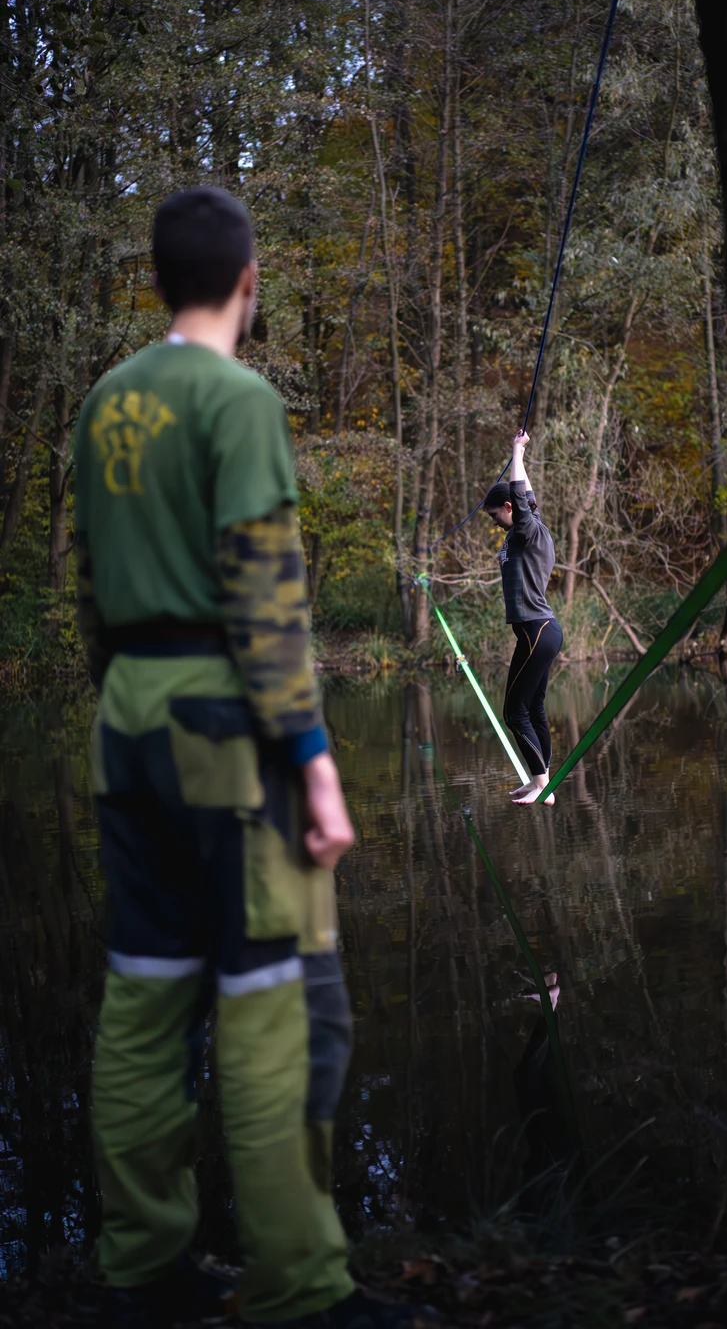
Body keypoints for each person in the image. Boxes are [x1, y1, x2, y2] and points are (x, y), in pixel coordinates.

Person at [74, 187, 438, 1329]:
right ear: (248, 281)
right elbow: (265, 595)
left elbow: (91, 589)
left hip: (125, 722)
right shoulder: (239, 401)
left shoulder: (103, 401)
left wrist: (123, 699)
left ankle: (142, 1268)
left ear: (155, 281)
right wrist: (316, 763)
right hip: (226, 735)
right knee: (272, 1001)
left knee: (144, 998)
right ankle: (298, 1290)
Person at [481, 429, 562, 804]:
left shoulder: (528, 530)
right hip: (539, 631)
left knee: (514, 713)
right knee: (534, 708)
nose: (494, 522)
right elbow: (526, 494)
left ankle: (542, 783)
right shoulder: (529, 526)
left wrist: (517, 450)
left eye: (495, 515)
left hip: (536, 629)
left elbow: (519, 496)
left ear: (509, 508)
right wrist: (519, 458)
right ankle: (540, 780)